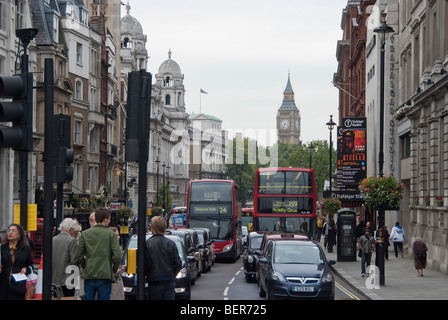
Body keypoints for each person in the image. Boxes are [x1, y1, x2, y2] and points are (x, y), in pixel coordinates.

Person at [76, 208, 122, 300]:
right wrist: (113, 269)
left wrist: (85, 265)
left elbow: (79, 254)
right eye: (109, 219)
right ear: (105, 220)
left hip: (90, 273)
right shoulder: (111, 234)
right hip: (105, 274)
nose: (109, 221)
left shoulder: (85, 234)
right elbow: (117, 256)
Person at [145, 215, 182, 300]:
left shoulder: (148, 244)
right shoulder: (171, 243)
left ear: (153, 228)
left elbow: (145, 263)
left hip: (154, 280)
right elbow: (178, 263)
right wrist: (173, 274)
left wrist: (147, 276)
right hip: (169, 280)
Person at [0, 224, 34, 300]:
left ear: (19, 234)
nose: (10, 232)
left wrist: (26, 269)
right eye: (9, 230)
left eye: (13, 230)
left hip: (18, 284)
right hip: (3, 283)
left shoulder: (26, 248)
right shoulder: (2, 247)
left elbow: (31, 265)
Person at [52, 218, 80, 297]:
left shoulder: (53, 239)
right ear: (70, 229)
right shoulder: (71, 240)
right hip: (68, 279)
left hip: (54, 278)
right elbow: (74, 260)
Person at [109, 227, 124, 300]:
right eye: (116, 235)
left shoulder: (117, 248)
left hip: (116, 282)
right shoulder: (108, 250)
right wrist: (116, 271)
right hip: (112, 283)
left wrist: (122, 267)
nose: (119, 237)